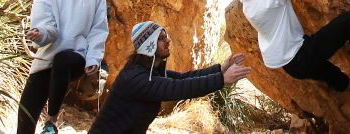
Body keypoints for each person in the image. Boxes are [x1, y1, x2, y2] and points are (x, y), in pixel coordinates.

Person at [88, 21, 251, 134]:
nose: (168, 41)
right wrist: (221, 80)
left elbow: (183, 78)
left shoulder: (151, 72)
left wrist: (221, 70)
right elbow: (179, 88)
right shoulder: (136, 78)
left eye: (166, 36)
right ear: (148, 46)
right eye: (161, 38)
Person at [17, 0, 109, 134]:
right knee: (26, 112)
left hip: (77, 56)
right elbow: (46, 26)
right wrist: (40, 34)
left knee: (63, 59)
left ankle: (51, 121)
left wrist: (93, 58)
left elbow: (98, 29)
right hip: (48, 57)